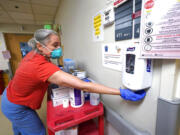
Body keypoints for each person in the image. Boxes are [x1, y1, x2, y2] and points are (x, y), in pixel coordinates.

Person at [1, 29, 146, 135]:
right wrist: (120, 92)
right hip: (17, 105)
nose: (59, 49)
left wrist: (58, 71)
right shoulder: (39, 66)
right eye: (55, 45)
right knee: (38, 132)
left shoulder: (33, 55)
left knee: (19, 129)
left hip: (9, 96)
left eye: (59, 45)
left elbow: (42, 73)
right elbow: (83, 86)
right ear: (40, 46)